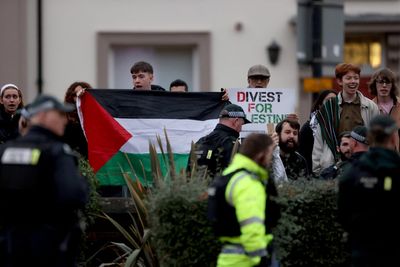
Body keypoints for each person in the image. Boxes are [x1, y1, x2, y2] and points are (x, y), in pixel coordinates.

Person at [0, 94, 89, 267]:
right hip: (49, 248)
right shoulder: (57, 152)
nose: (65, 120)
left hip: (10, 246)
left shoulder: (5, 151)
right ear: (42, 116)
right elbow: (73, 195)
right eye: (60, 114)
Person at [338, 115, 400, 267]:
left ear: (371, 137)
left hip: (362, 252)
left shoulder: (352, 173)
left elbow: (343, 214)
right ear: (393, 138)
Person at [209, 133, 277, 267]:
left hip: (229, 258)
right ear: (260, 155)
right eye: (270, 154)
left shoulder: (230, 176)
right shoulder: (248, 183)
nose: (270, 159)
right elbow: (251, 226)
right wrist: (260, 258)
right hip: (248, 260)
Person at [312, 63, 379, 174]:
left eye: (356, 78)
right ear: (339, 81)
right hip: (333, 166)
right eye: (348, 78)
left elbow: (376, 140)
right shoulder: (328, 107)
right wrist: (317, 170)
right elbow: (319, 141)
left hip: (363, 165)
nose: (353, 81)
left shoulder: (371, 107)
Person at [188, 104, 250, 178]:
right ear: (236, 121)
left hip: (196, 188)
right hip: (219, 188)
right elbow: (236, 175)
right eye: (241, 124)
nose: (241, 129)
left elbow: (188, 174)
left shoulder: (200, 141)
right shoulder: (231, 143)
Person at [298, 89, 337, 172]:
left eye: (335, 100)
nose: (332, 103)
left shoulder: (342, 125)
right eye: (328, 100)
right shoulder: (308, 128)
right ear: (320, 105)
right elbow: (303, 154)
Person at [368, 67, 400, 150]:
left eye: (388, 82)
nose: (384, 86)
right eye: (381, 82)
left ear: (392, 85)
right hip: (377, 155)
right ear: (375, 84)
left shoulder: (399, 105)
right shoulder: (369, 106)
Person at [63, 81, 92, 158]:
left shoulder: (94, 118)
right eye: (75, 95)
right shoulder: (66, 119)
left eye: (82, 94)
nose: (79, 97)